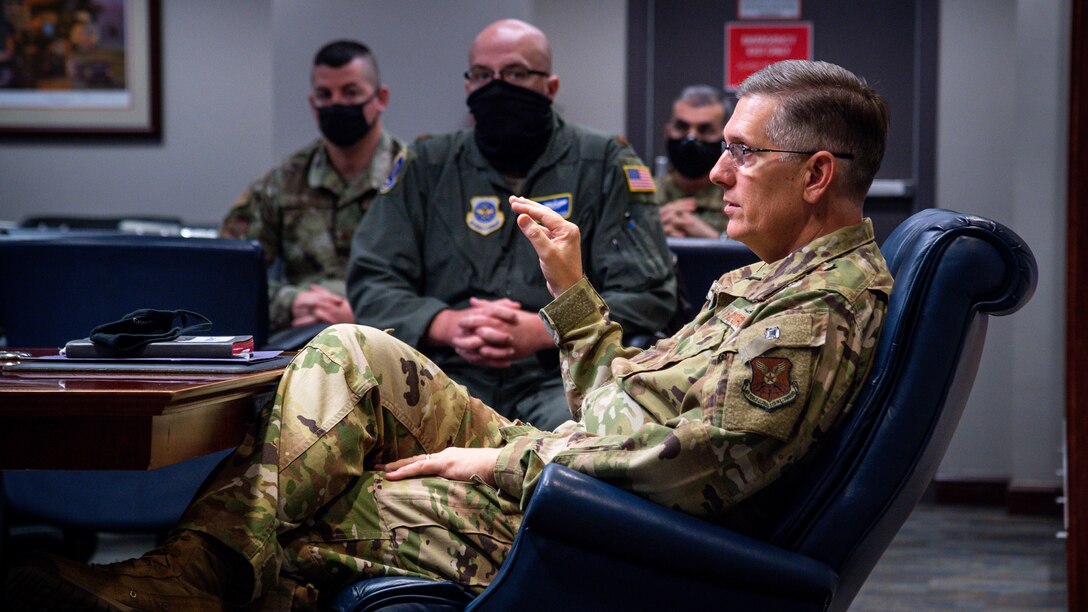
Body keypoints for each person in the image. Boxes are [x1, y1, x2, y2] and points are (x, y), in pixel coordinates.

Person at [5, 58, 893, 611]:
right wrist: (571, 294)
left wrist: (499, 463)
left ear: (817, 174)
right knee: (352, 349)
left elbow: (687, 474)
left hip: (602, 513)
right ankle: (183, 575)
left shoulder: (814, 313)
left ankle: (171, 586)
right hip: (577, 459)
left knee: (344, 501)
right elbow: (627, 406)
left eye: (742, 152)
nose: (718, 170)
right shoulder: (771, 276)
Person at [347, 19, 676, 430]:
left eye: (516, 73)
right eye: (482, 75)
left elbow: (648, 292)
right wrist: (444, 324)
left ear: (550, 87)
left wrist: (546, 328)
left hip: (559, 377)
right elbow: (372, 279)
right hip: (443, 373)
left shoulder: (605, 162)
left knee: (587, 446)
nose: (496, 87)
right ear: (468, 86)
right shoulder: (426, 165)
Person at [221, 40, 406, 337]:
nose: (337, 104)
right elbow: (226, 276)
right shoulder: (284, 181)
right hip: (305, 341)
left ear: (380, 97)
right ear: (312, 104)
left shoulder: (414, 176)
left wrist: (367, 309)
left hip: (397, 341)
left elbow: (446, 285)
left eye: (351, 92)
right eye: (325, 95)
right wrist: (291, 302)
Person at [656, 85, 733, 238]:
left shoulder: (739, 201)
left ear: (726, 138)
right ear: (667, 132)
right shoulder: (644, 199)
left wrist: (715, 242)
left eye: (705, 130)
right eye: (682, 127)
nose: (691, 139)